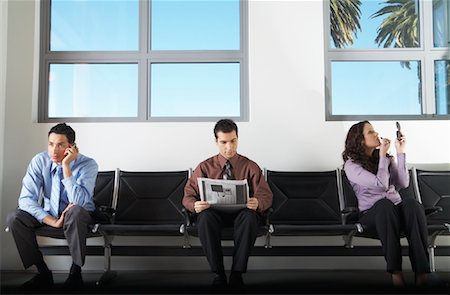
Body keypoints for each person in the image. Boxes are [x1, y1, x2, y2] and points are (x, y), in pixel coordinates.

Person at [183, 119, 273, 290]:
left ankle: (237, 274)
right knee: (204, 217)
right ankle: (218, 274)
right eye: (224, 142)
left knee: (249, 216)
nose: (229, 147)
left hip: (241, 215)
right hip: (214, 215)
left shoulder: (250, 166)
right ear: (216, 141)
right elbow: (188, 195)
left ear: (237, 138)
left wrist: (258, 202)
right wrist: (194, 205)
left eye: (233, 141)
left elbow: (266, 194)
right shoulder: (204, 167)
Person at [6, 123, 98, 289]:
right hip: (50, 215)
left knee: (75, 211)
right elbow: (26, 199)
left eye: (60, 145)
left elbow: (79, 202)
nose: (54, 150)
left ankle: (75, 273)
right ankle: (42, 273)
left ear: (71, 147)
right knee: (15, 217)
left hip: (79, 215)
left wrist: (66, 167)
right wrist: (51, 221)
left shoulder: (88, 164)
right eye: (51, 144)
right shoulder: (39, 161)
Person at [342, 121, 429, 287]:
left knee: (412, 204)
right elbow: (380, 184)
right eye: (371, 132)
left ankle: (422, 273)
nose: (377, 134)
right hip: (372, 216)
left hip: (395, 210)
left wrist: (400, 153)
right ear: (360, 140)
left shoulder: (386, 159)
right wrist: (382, 156)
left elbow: (403, 183)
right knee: (384, 205)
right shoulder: (351, 165)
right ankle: (396, 273)